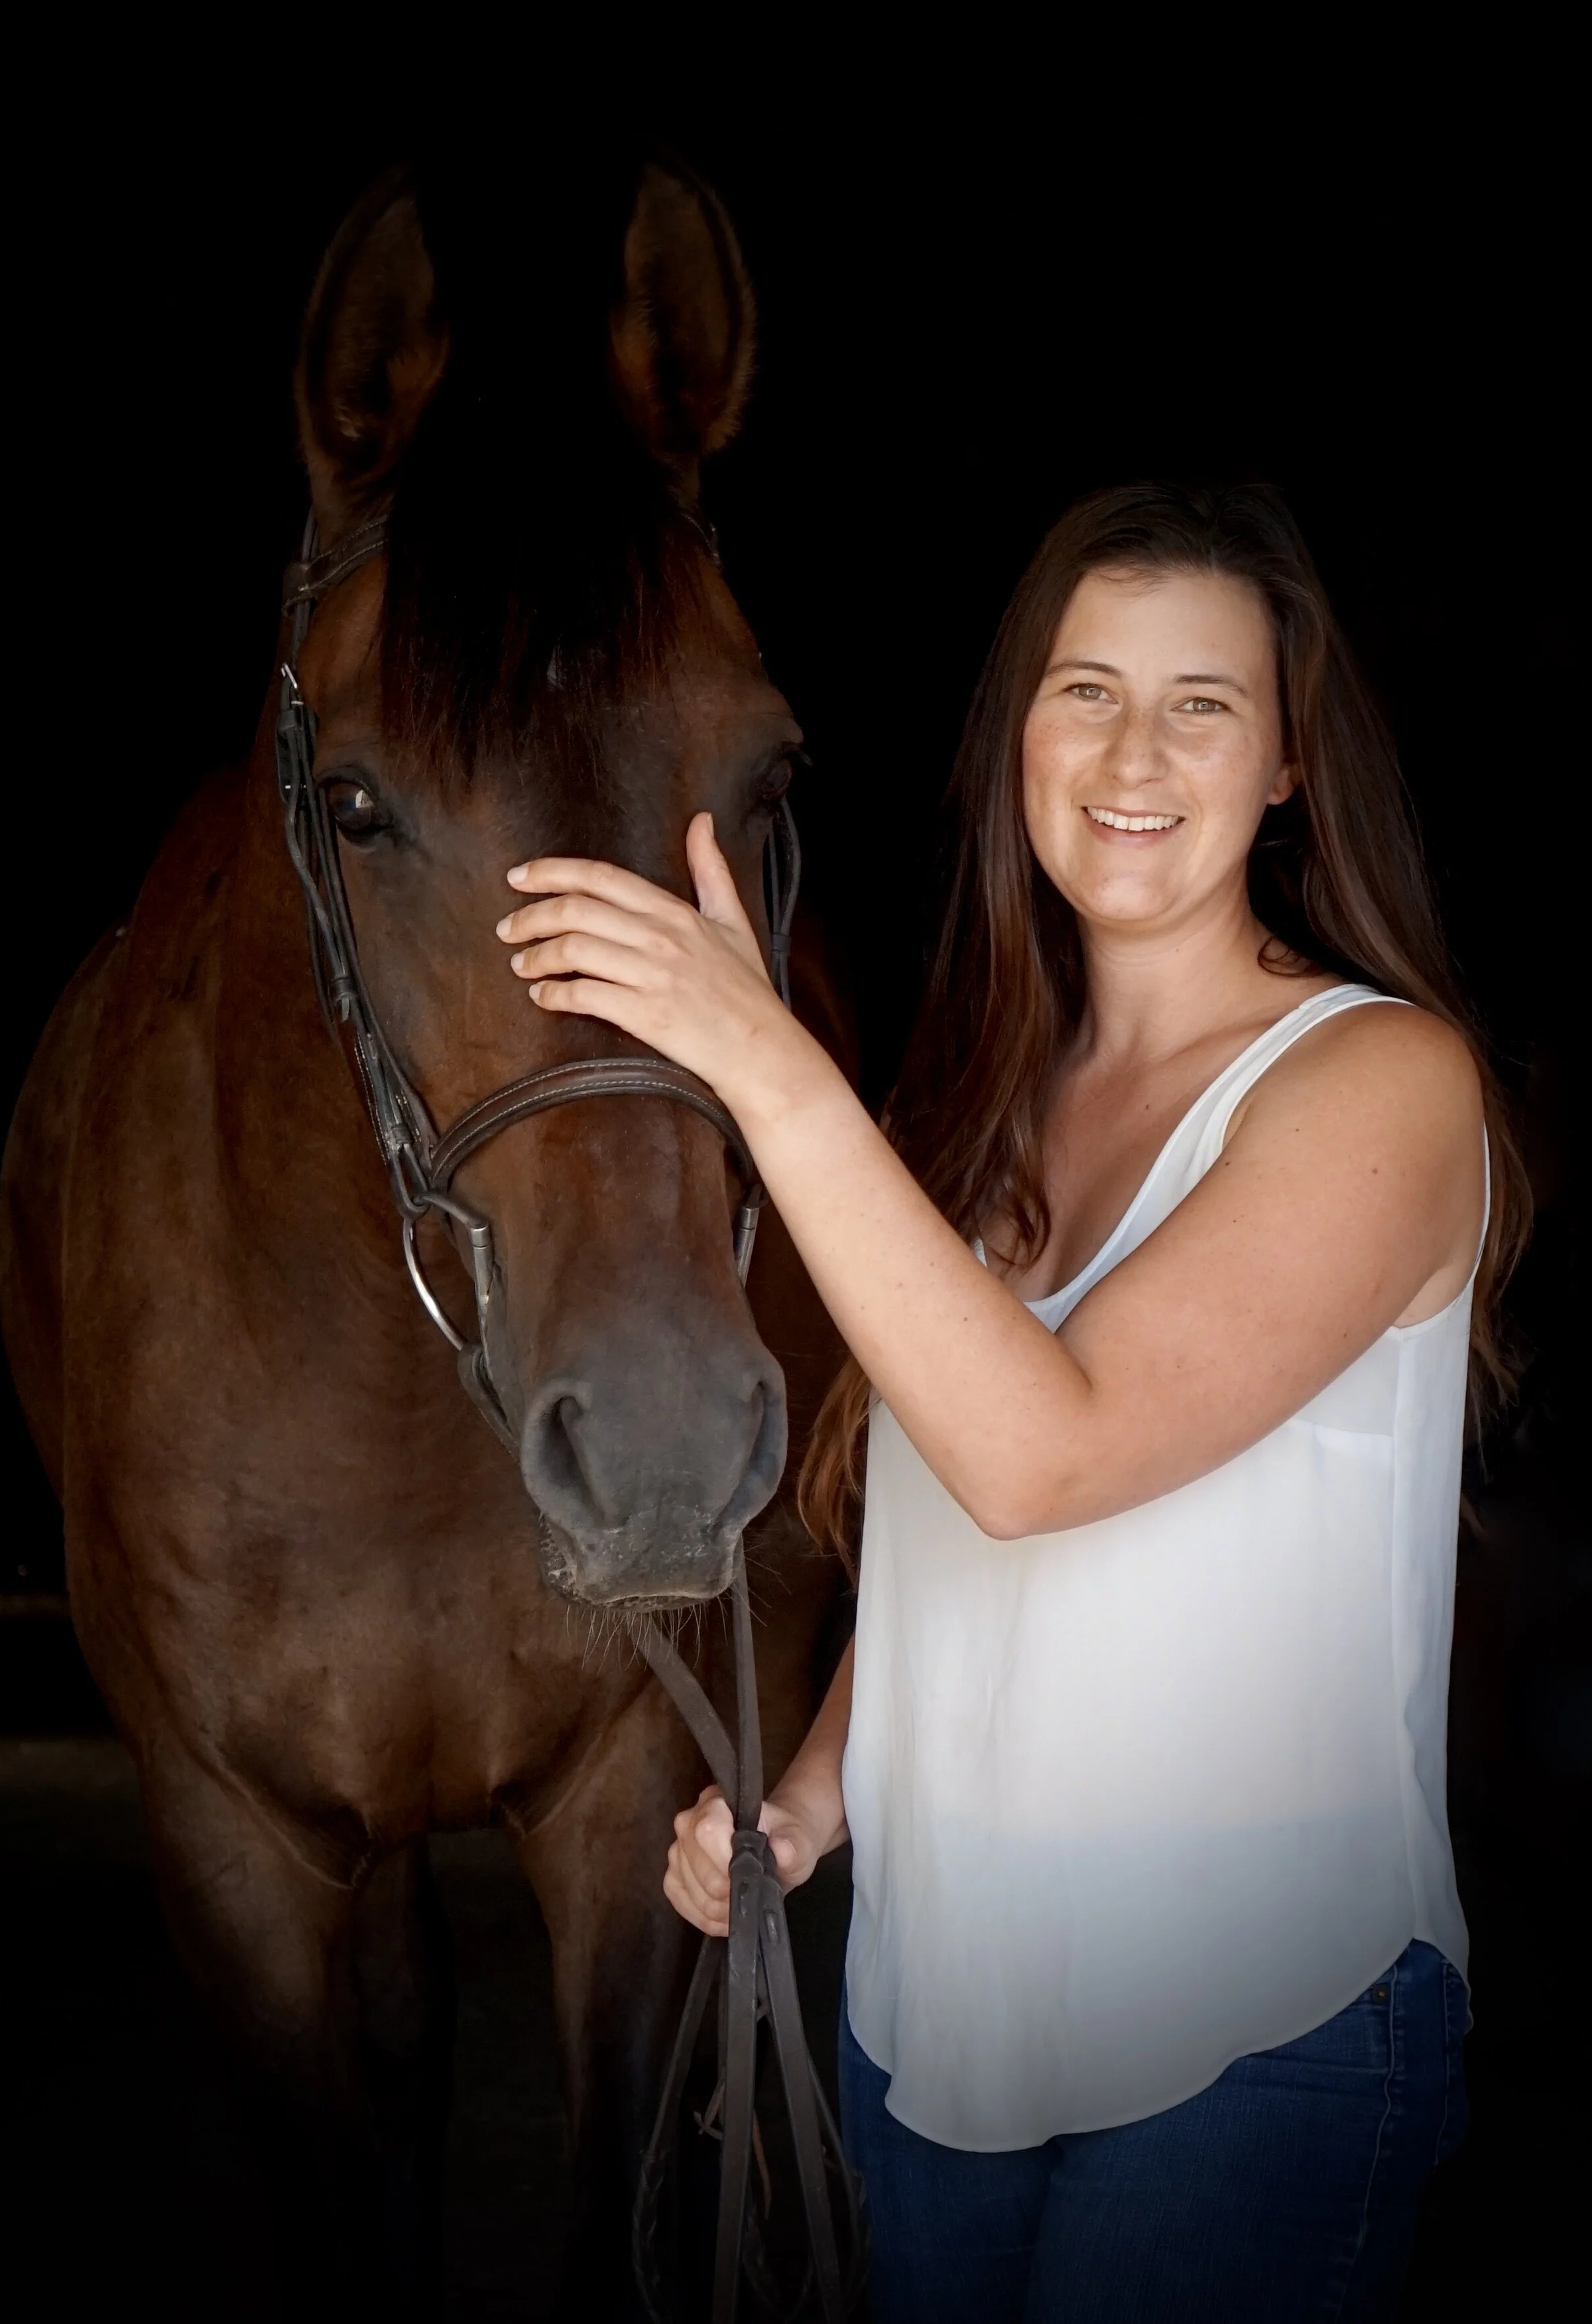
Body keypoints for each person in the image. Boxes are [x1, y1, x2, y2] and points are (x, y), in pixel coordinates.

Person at [495, 482, 1525, 2321]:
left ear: (1287, 763)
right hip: (933, 2025)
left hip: (1255, 2041)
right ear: (1019, 739)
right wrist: (810, 1803)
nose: (1134, 750)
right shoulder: (981, 1109)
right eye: (1085, 690)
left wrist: (759, 1060)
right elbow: (950, 1536)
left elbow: (1039, 1456)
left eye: (1201, 702)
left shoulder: (1375, 1083)